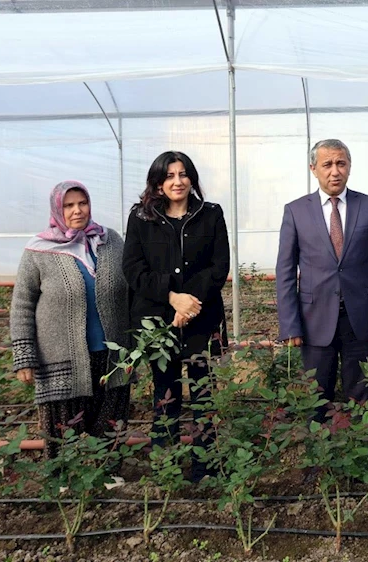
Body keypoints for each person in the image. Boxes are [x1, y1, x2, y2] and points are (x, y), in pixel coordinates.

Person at [121, 151, 230, 481]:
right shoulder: (141, 219)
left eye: (183, 174)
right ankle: (166, 467)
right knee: (164, 394)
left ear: (192, 179)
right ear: (157, 182)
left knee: (203, 394)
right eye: (169, 176)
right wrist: (172, 299)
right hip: (158, 322)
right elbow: (133, 269)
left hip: (202, 320)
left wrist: (191, 303)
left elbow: (218, 266)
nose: (177, 181)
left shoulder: (210, 215)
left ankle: (204, 469)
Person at [11, 180, 131, 459]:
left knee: (111, 417)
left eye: (82, 203)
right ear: (57, 209)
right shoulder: (38, 250)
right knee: (63, 422)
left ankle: (108, 472)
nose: (77, 211)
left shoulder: (111, 241)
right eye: (69, 205)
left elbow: (132, 288)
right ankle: (63, 477)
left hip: (111, 353)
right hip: (59, 355)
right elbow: (22, 305)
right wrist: (24, 357)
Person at [276, 139, 368, 420]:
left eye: (341, 163)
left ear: (349, 167)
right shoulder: (296, 211)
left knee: (362, 394)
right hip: (313, 319)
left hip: (361, 319)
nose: (335, 171)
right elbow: (284, 271)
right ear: (313, 168)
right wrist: (290, 324)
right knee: (316, 397)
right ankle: (318, 461)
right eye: (327, 164)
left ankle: (360, 456)